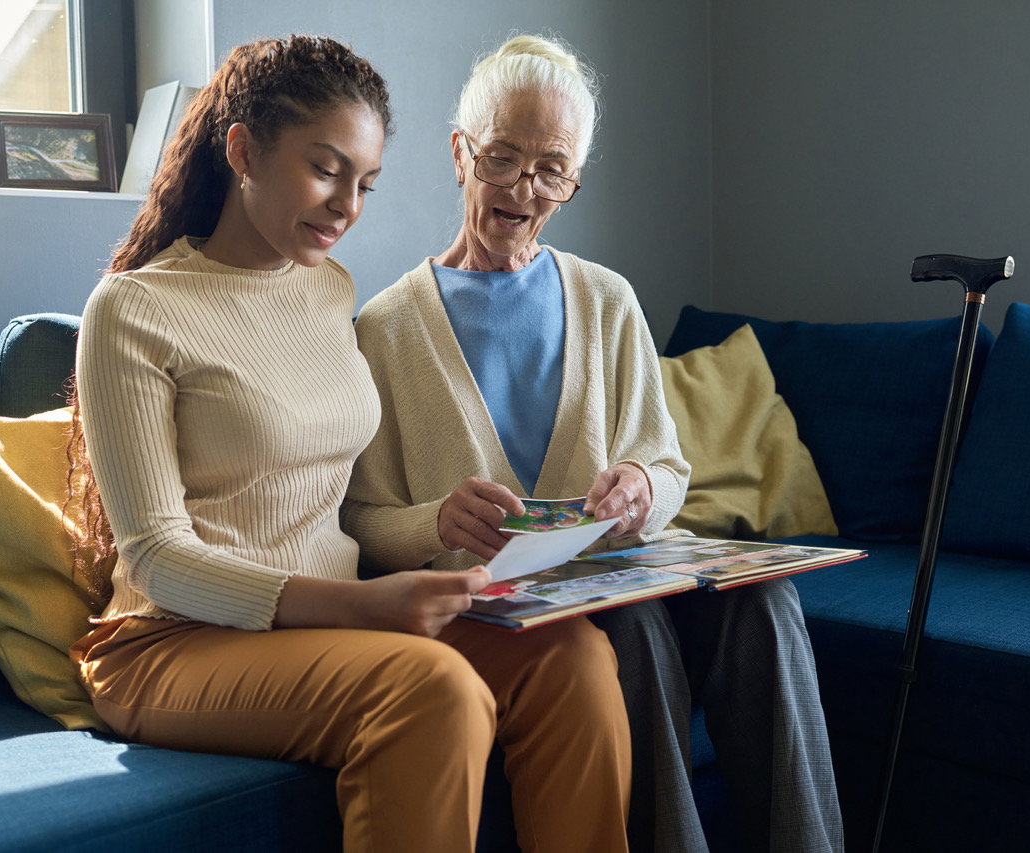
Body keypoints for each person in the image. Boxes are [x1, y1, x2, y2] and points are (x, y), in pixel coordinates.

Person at [66, 34, 632, 853]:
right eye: (326, 169)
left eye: (364, 182)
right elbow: (157, 558)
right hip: (172, 640)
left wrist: (425, 544)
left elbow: (349, 505)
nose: (346, 205)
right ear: (242, 150)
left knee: (568, 655)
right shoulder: (132, 310)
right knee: (433, 691)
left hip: (324, 626)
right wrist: (365, 602)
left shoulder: (332, 291)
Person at [342, 34, 844, 853]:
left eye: (553, 169)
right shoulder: (386, 328)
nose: (524, 190)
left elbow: (668, 462)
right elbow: (359, 519)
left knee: (766, 600)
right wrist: (436, 521)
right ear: (460, 154)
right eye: (503, 158)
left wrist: (645, 486)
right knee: (633, 634)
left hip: (634, 566)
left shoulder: (609, 300)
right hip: (523, 609)